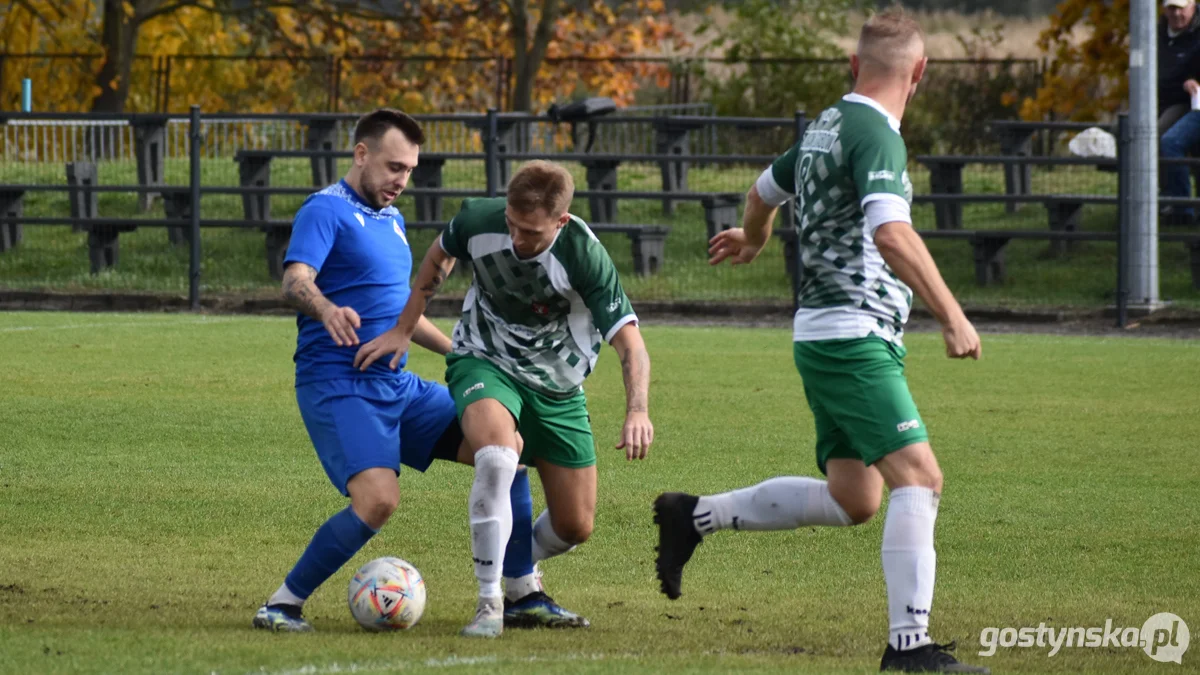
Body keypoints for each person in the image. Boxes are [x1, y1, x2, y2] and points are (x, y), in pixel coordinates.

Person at [651, 11, 989, 674]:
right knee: (919, 478)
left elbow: (760, 191)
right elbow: (891, 234)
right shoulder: (875, 134)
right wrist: (952, 312)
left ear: (851, 65)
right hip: (852, 335)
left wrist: (753, 236)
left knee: (854, 498)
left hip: (828, 334)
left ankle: (693, 516)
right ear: (919, 73)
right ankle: (909, 647)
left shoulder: (824, 128)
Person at [252, 109, 585, 633]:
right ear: (361, 154)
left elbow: (399, 318)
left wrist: (461, 352)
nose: (400, 180)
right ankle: (282, 604)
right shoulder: (325, 211)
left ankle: (522, 594)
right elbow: (296, 280)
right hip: (341, 384)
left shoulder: (392, 219)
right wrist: (327, 309)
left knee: (503, 447)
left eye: (408, 170)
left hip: (397, 384)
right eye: (392, 167)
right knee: (379, 501)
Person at [354, 160, 655, 639]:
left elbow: (631, 343)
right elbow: (438, 257)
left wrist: (637, 410)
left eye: (531, 233)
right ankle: (489, 602)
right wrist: (403, 330)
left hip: (557, 386)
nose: (517, 240)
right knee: (497, 456)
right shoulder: (480, 218)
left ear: (561, 221)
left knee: (576, 525)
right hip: (483, 359)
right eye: (513, 225)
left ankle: (517, 576)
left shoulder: (584, 256)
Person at [1158, 0, 1200, 222]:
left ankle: (1180, 208)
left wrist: (1192, 82)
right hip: (1175, 101)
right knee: (1128, 131)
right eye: (1171, 7)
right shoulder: (1156, 33)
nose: (1176, 13)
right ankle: (1173, 205)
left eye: (1181, 7)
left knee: (1168, 141)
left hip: (1187, 104)